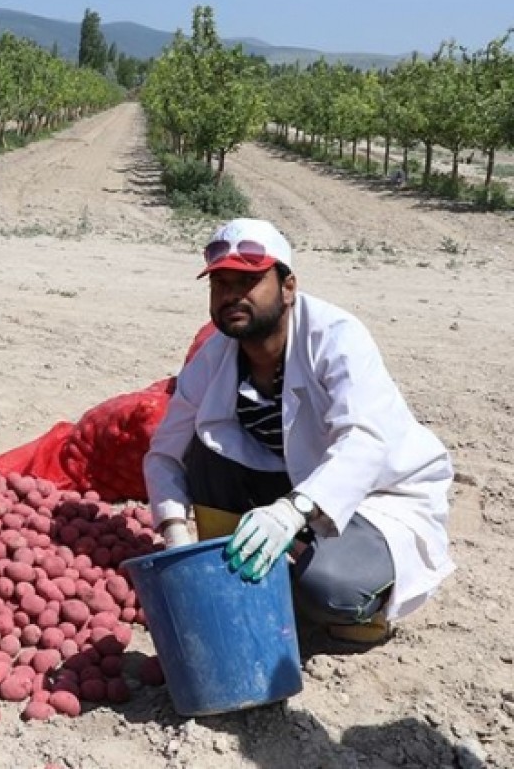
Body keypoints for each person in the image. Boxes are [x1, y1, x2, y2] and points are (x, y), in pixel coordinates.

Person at [143, 218, 454, 644]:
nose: (232, 295)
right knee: (204, 447)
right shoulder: (215, 357)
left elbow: (364, 441)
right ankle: (226, 574)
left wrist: (290, 512)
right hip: (294, 480)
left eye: (249, 281)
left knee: (327, 589)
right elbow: (164, 452)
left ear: (287, 287)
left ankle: (361, 607)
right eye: (221, 284)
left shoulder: (336, 338)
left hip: (378, 496)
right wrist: (174, 532)